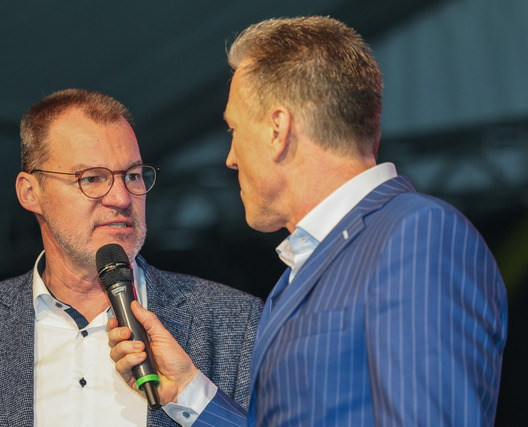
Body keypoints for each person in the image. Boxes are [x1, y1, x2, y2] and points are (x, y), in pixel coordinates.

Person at [108, 16, 508, 426]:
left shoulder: (417, 234)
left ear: (278, 130)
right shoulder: (303, 271)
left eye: (233, 129)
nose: (230, 158)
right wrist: (189, 392)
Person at [0, 89, 263, 426]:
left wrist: (191, 396)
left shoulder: (233, 320)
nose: (121, 198)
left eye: (133, 175)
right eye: (92, 178)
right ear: (30, 192)